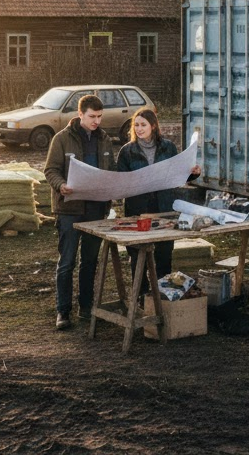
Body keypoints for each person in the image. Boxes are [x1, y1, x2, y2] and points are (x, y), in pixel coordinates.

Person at [43, 94, 115, 330]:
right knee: (67, 262)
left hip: (96, 208)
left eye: (100, 116)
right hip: (69, 209)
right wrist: (60, 185)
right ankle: (63, 311)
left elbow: (111, 171)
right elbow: (50, 170)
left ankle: (86, 307)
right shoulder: (61, 139)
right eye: (92, 116)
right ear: (80, 114)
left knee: (90, 261)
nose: (97, 121)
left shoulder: (104, 139)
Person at [116, 106, 200, 282]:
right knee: (138, 253)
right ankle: (141, 292)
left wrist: (193, 173)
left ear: (153, 126)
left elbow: (178, 175)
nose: (139, 129)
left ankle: (163, 290)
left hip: (163, 206)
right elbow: (121, 180)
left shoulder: (168, 147)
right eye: (136, 125)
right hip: (138, 208)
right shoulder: (127, 151)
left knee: (164, 252)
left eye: (143, 125)